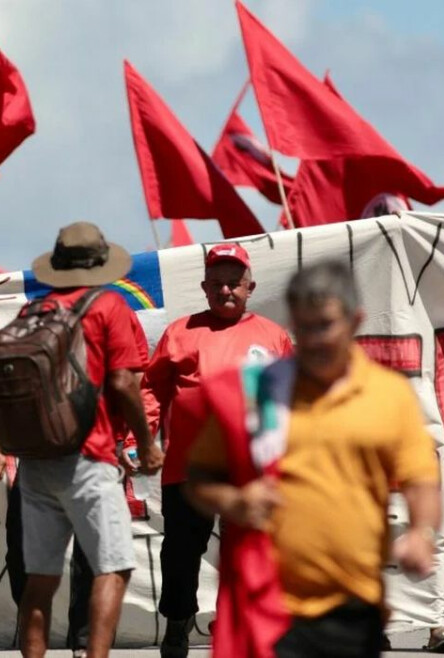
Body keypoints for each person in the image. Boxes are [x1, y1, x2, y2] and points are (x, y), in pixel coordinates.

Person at [185, 261, 441, 658]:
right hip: (264, 608)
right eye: (304, 328)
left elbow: (421, 477)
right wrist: (232, 502)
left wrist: (422, 533)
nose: (314, 340)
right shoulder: (257, 392)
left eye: (325, 325)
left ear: (355, 321)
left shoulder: (388, 395)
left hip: (353, 608)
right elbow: (198, 476)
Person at [13, 222, 161, 658]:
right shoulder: (108, 306)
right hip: (89, 457)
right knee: (113, 568)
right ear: (100, 264)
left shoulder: (33, 312)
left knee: (39, 579)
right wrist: (146, 443)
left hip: (36, 460)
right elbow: (123, 382)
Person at [140, 243, 292, 658]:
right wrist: (142, 437)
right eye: (218, 284)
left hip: (252, 470)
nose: (226, 291)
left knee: (251, 556)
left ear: (250, 287)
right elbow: (151, 389)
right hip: (189, 469)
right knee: (180, 555)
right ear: (205, 288)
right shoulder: (179, 332)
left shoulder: (273, 336)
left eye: (234, 284)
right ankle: (177, 623)